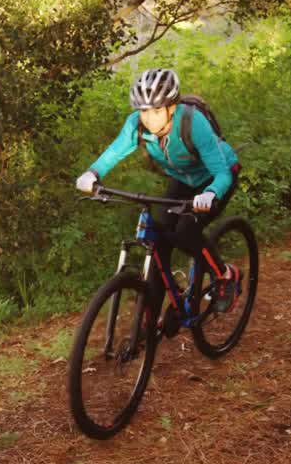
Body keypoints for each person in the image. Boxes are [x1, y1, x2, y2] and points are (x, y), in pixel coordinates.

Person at [75, 68, 242, 316]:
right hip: (181, 180)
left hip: (215, 178)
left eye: (155, 110)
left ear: (171, 108)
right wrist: (93, 173)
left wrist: (210, 193)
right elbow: (115, 151)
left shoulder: (192, 123)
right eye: (143, 111)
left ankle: (225, 274)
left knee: (186, 232)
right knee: (158, 240)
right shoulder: (137, 125)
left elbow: (223, 174)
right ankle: (150, 316)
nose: (149, 118)